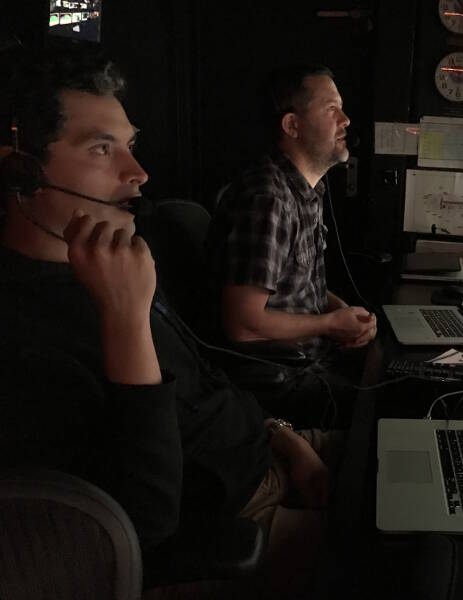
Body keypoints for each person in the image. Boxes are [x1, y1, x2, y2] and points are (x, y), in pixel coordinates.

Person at [0, 46, 336, 599]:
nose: (138, 172)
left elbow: (207, 380)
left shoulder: (114, 257)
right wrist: (126, 321)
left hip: (273, 451)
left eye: (129, 146)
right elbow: (137, 530)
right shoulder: (24, 330)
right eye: (101, 148)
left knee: (426, 460)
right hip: (239, 523)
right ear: (20, 171)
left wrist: (286, 440)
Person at [207, 64, 377, 357]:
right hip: (284, 383)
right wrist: (330, 324)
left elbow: (295, 289)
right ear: (292, 126)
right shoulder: (266, 199)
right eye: (331, 109)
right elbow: (243, 324)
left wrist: (345, 314)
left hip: (313, 364)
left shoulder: (304, 192)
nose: (346, 120)